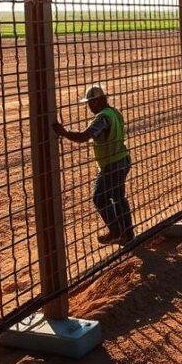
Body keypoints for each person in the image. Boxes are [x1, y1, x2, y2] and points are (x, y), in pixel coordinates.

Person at [53, 84, 133, 245]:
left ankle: (117, 231)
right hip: (121, 159)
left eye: (91, 102)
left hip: (112, 164)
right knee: (118, 198)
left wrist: (65, 133)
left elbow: (85, 136)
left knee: (100, 198)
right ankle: (126, 234)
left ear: (100, 100)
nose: (89, 106)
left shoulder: (102, 118)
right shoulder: (114, 113)